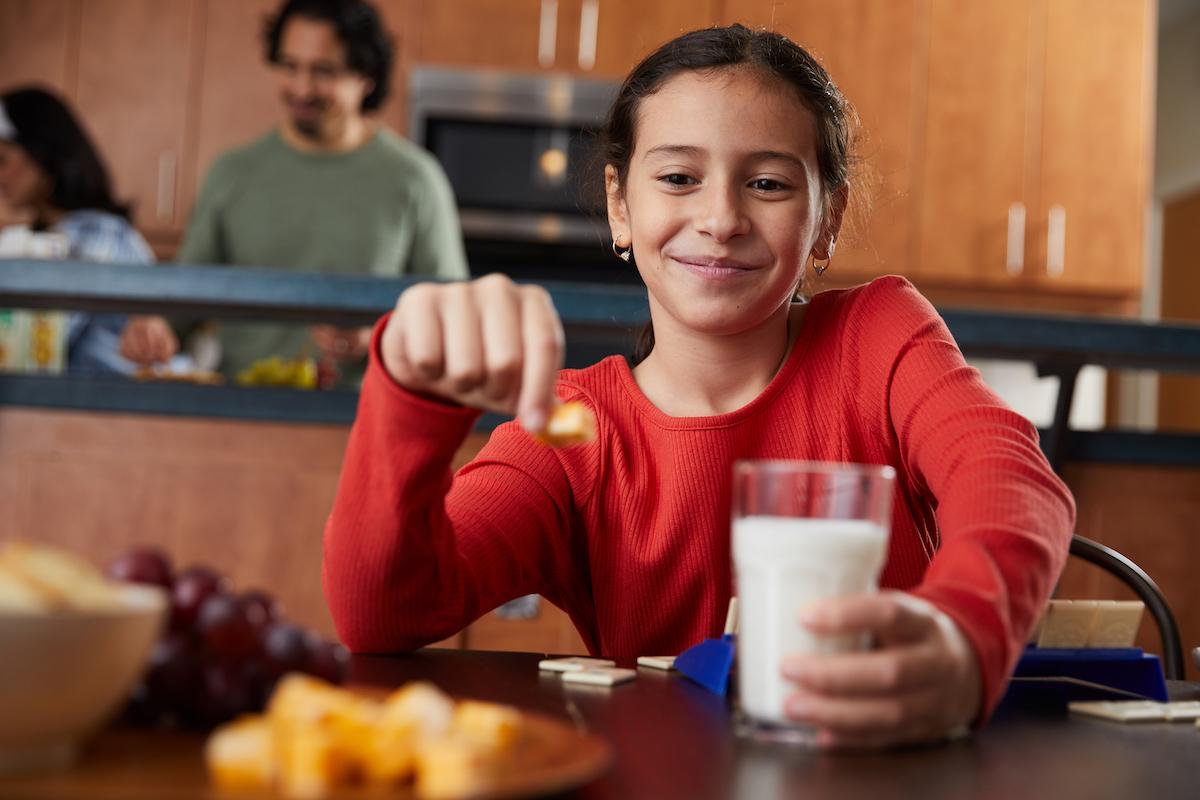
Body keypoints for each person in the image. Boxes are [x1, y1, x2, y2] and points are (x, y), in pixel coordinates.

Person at [322, 25, 1075, 748]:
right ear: (621, 204)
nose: (720, 219)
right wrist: (406, 392)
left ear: (827, 219)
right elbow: (384, 611)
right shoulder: (568, 435)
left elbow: (1008, 475)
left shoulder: (877, 339)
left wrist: (964, 636)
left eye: (769, 183)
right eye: (679, 178)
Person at [120, 0, 468, 379]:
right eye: (290, 66)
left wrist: (380, 339)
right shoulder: (231, 173)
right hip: (244, 410)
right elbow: (184, 304)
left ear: (365, 77)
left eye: (323, 71)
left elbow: (452, 318)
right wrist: (155, 330)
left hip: (368, 417)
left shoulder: (415, 180)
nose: (301, 88)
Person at [0, 87, 153, 374]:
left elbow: (34, 342)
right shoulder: (55, 234)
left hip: (119, 407)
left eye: (3, 159)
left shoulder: (96, 234)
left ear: (43, 153)